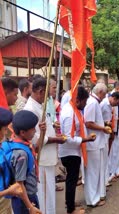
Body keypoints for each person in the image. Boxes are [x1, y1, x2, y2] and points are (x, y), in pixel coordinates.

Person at [24, 76, 66, 214]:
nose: (47, 98)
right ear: (41, 91)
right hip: (41, 158)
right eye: (47, 94)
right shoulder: (30, 108)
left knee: (49, 195)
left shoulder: (39, 106)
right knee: (44, 195)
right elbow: (33, 138)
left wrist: (53, 129)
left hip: (47, 158)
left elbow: (43, 128)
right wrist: (54, 139)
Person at [59, 86, 96, 214]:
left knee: (72, 179)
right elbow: (69, 138)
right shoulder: (70, 113)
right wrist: (86, 140)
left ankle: (70, 202)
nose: (86, 105)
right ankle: (71, 209)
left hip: (73, 150)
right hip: (69, 152)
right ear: (78, 100)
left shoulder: (72, 108)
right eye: (85, 102)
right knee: (71, 180)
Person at [10, 110, 44, 214]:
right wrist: (30, 207)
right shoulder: (21, 154)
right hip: (25, 199)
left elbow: (37, 149)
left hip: (27, 197)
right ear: (23, 132)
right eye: (33, 129)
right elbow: (20, 184)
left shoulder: (18, 142)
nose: (35, 131)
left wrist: (43, 132)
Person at [84, 83, 110, 207]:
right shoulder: (92, 102)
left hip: (96, 142)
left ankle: (97, 195)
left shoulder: (94, 102)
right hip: (92, 143)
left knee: (96, 171)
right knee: (93, 172)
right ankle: (92, 199)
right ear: (100, 92)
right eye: (104, 94)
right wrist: (103, 128)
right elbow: (88, 123)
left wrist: (102, 124)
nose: (105, 97)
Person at [0, 107, 22, 214]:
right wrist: (9, 191)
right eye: (4, 129)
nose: (6, 132)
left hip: (5, 200)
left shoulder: (2, 147)